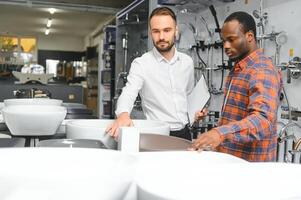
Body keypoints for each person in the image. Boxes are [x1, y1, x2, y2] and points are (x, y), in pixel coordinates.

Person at [190, 11, 282, 162]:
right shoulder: (240, 68)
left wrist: (219, 133)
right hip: (232, 161)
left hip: (249, 167)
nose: (226, 46)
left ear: (249, 36)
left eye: (231, 39)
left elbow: (262, 120)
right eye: (224, 40)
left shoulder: (261, 69)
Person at [106, 7, 203, 141]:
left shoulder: (187, 62)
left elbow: (189, 97)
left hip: (185, 134)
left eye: (167, 30)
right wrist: (123, 115)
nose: (161, 37)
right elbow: (128, 93)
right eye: (156, 31)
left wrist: (196, 113)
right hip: (158, 134)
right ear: (151, 33)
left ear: (176, 30)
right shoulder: (141, 64)